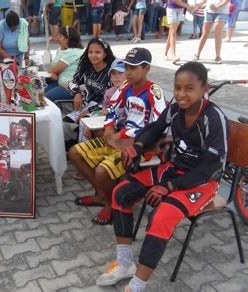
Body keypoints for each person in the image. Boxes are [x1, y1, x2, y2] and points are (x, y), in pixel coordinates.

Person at [96, 61, 229, 291]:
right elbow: (156, 128)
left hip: (204, 181)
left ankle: (138, 284)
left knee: (162, 215)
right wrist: (137, 146)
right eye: (177, 88)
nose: (181, 94)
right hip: (174, 169)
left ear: (204, 89)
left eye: (189, 88)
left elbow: (212, 168)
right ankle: (125, 263)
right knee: (121, 193)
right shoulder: (176, 108)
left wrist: (169, 186)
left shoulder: (213, 118)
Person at [69, 48, 166, 225]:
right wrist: (107, 127)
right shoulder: (125, 87)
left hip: (139, 146)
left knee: (101, 171)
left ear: (146, 69)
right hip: (119, 139)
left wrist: (118, 134)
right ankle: (104, 197)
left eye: (133, 68)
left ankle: (111, 203)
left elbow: (157, 127)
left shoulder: (154, 91)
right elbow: (112, 109)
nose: (128, 72)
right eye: (127, 67)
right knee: (75, 152)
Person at [45, 26, 84, 102]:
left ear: (67, 39)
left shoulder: (73, 52)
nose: (57, 38)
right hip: (60, 83)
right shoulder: (61, 50)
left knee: (45, 98)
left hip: (70, 87)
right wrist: (52, 71)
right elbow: (52, 68)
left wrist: (53, 71)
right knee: (40, 91)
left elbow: (54, 69)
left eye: (60, 36)